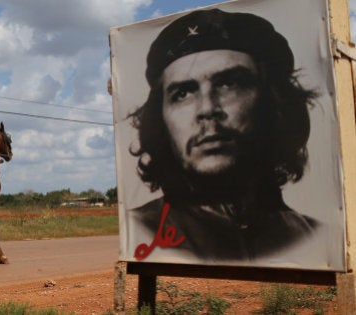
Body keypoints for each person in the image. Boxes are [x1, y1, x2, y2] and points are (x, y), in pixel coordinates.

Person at [127, 8, 318, 261]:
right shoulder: (140, 228)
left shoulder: (311, 235)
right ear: (160, 120)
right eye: (183, 93)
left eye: (229, 84)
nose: (207, 109)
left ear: (274, 102)